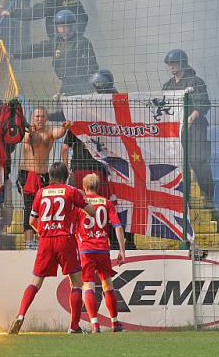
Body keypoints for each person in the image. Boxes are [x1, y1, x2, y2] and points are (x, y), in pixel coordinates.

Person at [8, 162, 96, 335]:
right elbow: (91, 212)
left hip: (46, 240)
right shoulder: (71, 191)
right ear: (66, 176)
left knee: (36, 281)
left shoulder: (41, 193)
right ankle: (74, 326)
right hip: (65, 239)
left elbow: (32, 221)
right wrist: (83, 201)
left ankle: (20, 315)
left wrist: (43, 232)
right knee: (77, 282)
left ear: (50, 176)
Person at [61, 68, 135, 250]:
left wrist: (65, 168)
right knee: (106, 206)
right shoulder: (116, 111)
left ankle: (81, 242)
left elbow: (64, 147)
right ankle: (112, 243)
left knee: (79, 208)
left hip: (80, 168)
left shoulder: (80, 115)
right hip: (103, 169)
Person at [162, 49, 214, 206]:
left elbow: (204, 104)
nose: (171, 67)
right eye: (169, 64)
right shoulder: (167, 85)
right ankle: (185, 199)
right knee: (180, 164)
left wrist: (190, 118)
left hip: (195, 129)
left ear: (182, 63)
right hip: (176, 131)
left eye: (174, 63)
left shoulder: (196, 81)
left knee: (198, 161)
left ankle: (208, 196)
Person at [76, 173, 126, 333]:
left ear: (84, 187)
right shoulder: (106, 202)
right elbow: (118, 226)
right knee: (107, 284)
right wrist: (122, 250)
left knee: (88, 285)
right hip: (103, 248)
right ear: (98, 187)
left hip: (86, 249)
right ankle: (115, 322)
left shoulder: (80, 204)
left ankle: (94, 324)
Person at [17, 107, 71, 248]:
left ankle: (42, 239)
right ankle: (29, 242)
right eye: (37, 116)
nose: (39, 119)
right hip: (28, 173)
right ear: (32, 118)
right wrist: (31, 130)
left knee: (44, 208)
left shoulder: (50, 131)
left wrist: (65, 127)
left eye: (42, 116)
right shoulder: (28, 131)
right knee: (29, 208)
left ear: (47, 118)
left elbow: (58, 133)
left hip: (44, 175)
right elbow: (28, 139)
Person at [15, 10, 98, 96]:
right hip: (66, 85)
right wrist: (16, 54)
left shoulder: (82, 42)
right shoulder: (56, 42)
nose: (63, 29)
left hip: (82, 86)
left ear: (72, 26)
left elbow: (91, 66)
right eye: (60, 26)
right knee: (60, 109)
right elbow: (37, 49)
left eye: (66, 26)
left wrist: (93, 86)